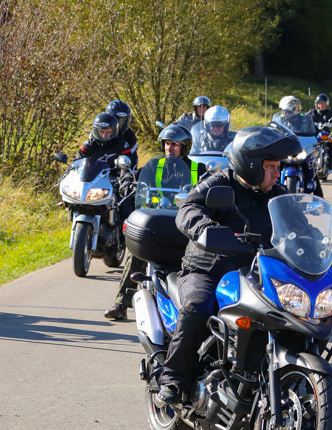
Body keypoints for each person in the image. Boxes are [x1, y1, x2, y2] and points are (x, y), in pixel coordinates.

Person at [155, 123, 302, 404]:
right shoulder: (219, 183)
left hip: (254, 273)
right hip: (209, 269)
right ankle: (174, 378)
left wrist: (313, 241)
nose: (277, 172)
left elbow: (299, 225)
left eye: (278, 166)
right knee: (199, 306)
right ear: (250, 165)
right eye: (270, 166)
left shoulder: (277, 193)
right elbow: (188, 208)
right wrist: (205, 228)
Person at [105, 124, 207, 321]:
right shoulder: (154, 166)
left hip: (183, 226)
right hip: (157, 223)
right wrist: (126, 178)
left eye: (175, 144)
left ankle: (190, 310)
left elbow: (209, 183)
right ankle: (121, 304)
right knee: (135, 254)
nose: (170, 148)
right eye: (167, 143)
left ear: (185, 147)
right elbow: (135, 176)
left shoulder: (198, 169)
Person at [76, 101, 139, 168]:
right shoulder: (95, 135)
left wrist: (127, 174)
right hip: (97, 171)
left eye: (123, 121)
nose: (104, 135)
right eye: (116, 120)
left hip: (119, 171)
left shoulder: (130, 136)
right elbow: (82, 156)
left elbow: (131, 159)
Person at [306, 93, 332, 171]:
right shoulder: (313, 112)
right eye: (319, 103)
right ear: (317, 104)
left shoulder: (329, 112)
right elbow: (305, 118)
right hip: (315, 134)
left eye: (323, 104)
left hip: (325, 134)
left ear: (326, 104)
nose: (321, 105)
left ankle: (330, 162)